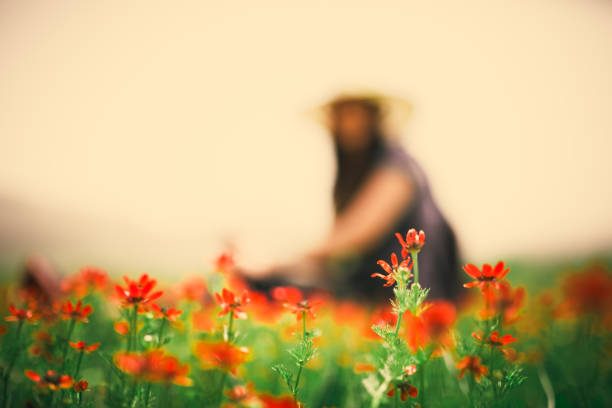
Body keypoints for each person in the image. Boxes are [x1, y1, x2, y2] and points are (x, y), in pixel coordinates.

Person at [240, 93, 459, 303]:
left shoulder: (398, 167)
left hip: (416, 287)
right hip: (371, 281)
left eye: (356, 113)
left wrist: (277, 261)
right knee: (272, 285)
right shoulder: (350, 172)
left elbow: (358, 232)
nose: (349, 124)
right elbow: (334, 251)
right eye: (342, 114)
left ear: (374, 117)